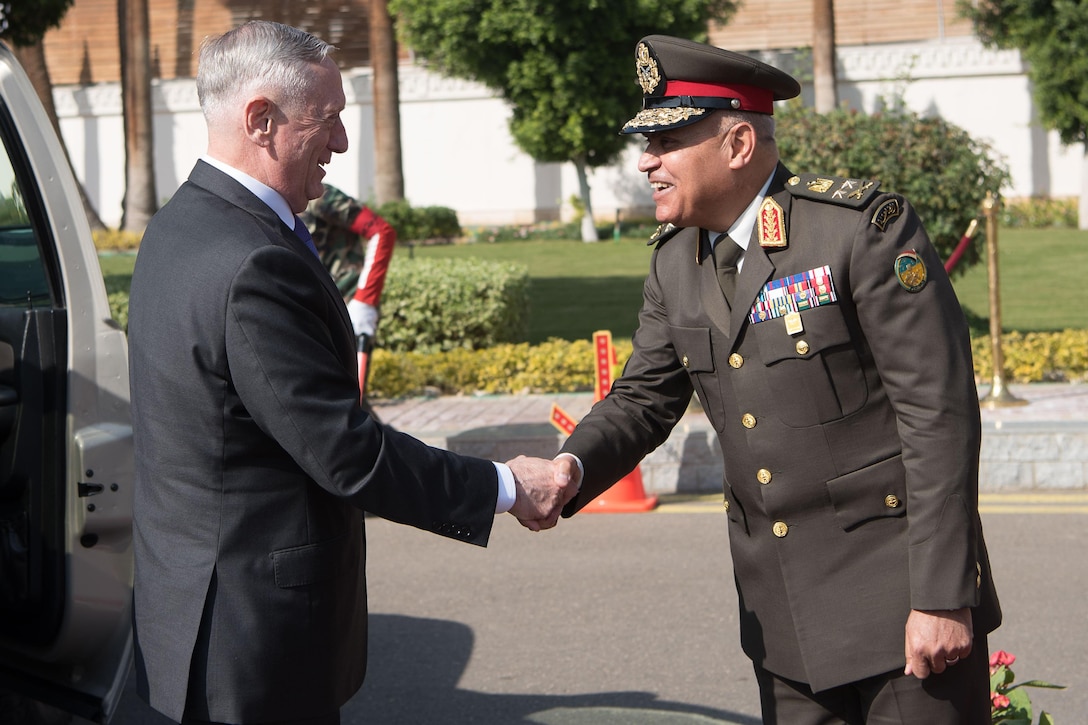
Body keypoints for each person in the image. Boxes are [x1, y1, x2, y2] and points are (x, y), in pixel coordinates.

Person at [126, 21, 574, 725]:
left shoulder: (178, 227)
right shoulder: (252, 262)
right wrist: (508, 485)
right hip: (249, 648)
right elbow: (346, 451)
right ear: (261, 120)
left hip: (185, 613)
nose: (339, 143)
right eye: (328, 119)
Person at [552, 35, 1001, 724]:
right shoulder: (675, 265)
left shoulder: (856, 232)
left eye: (667, 140)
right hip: (785, 628)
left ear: (737, 144)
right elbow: (643, 399)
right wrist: (568, 468)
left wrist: (942, 595)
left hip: (903, 618)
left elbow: (937, 416)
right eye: (647, 143)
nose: (647, 161)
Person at [300, 183, 395, 340]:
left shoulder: (320, 196)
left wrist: (365, 301)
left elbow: (382, 232)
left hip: (348, 307)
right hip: (312, 307)